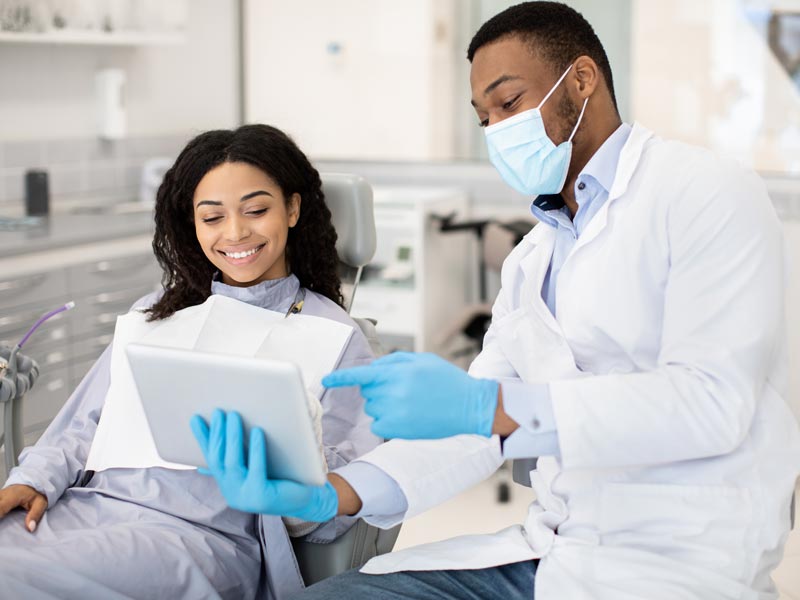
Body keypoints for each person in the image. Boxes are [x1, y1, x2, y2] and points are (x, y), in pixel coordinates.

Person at [196, 3, 800, 599]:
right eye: (484, 118)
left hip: (680, 563)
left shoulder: (704, 192)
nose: (496, 131)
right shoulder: (533, 258)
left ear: (582, 80)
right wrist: (334, 493)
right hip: (550, 552)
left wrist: (492, 406)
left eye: (508, 104)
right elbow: (473, 436)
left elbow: (710, 403)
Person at [0, 124, 380, 599]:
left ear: (293, 209)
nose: (235, 232)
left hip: (196, 538)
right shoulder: (157, 311)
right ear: (192, 224)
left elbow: (334, 508)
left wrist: (293, 454)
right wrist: (33, 480)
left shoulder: (336, 337)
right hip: (85, 511)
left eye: (256, 210)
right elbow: (84, 426)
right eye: (212, 217)